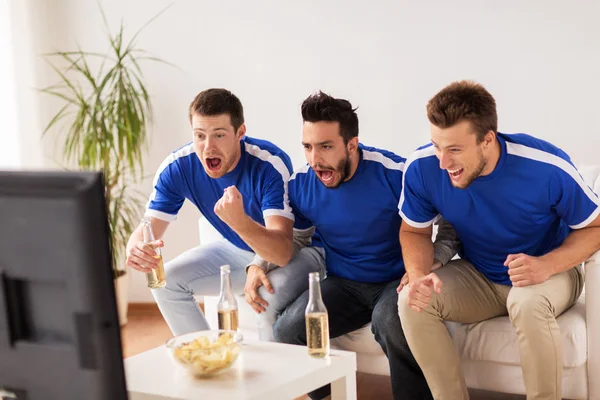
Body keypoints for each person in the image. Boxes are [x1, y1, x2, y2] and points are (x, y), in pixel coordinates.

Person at [245, 91, 460, 400]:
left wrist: (430, 264)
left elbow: (449, 224)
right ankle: (333, 394)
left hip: (395, 281)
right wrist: (258, 262)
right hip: (344, 283)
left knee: (390, 321)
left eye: (326, 146)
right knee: (289, 330)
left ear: (352, 144)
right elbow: (296, 238)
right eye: (307, 147)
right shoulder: (303, 185)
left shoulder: (395, 174)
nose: (315, 159)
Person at [398, 80, 600, 400]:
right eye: (437, 146)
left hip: (550, 270)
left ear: (487, 139)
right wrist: (420, 275)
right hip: (479, 274)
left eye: (454, 149)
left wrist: (546, 265)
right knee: (412, 301)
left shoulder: (546, 167)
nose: (442, 162)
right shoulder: (422, 168)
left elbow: (595, 228)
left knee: (527, 301)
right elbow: (413, 231)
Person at [125, 88, 295, 335]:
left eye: (219, 135)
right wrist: (135, 247)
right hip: (235, 250)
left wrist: (239, 221)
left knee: (267, 296)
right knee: (165, 283)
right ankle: (208, 360)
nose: (208, 147)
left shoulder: (269, 164)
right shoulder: (178, 168)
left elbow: (281, 253)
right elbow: (146, 230)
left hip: (278, 255)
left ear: (240, 133)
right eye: (200, 135)